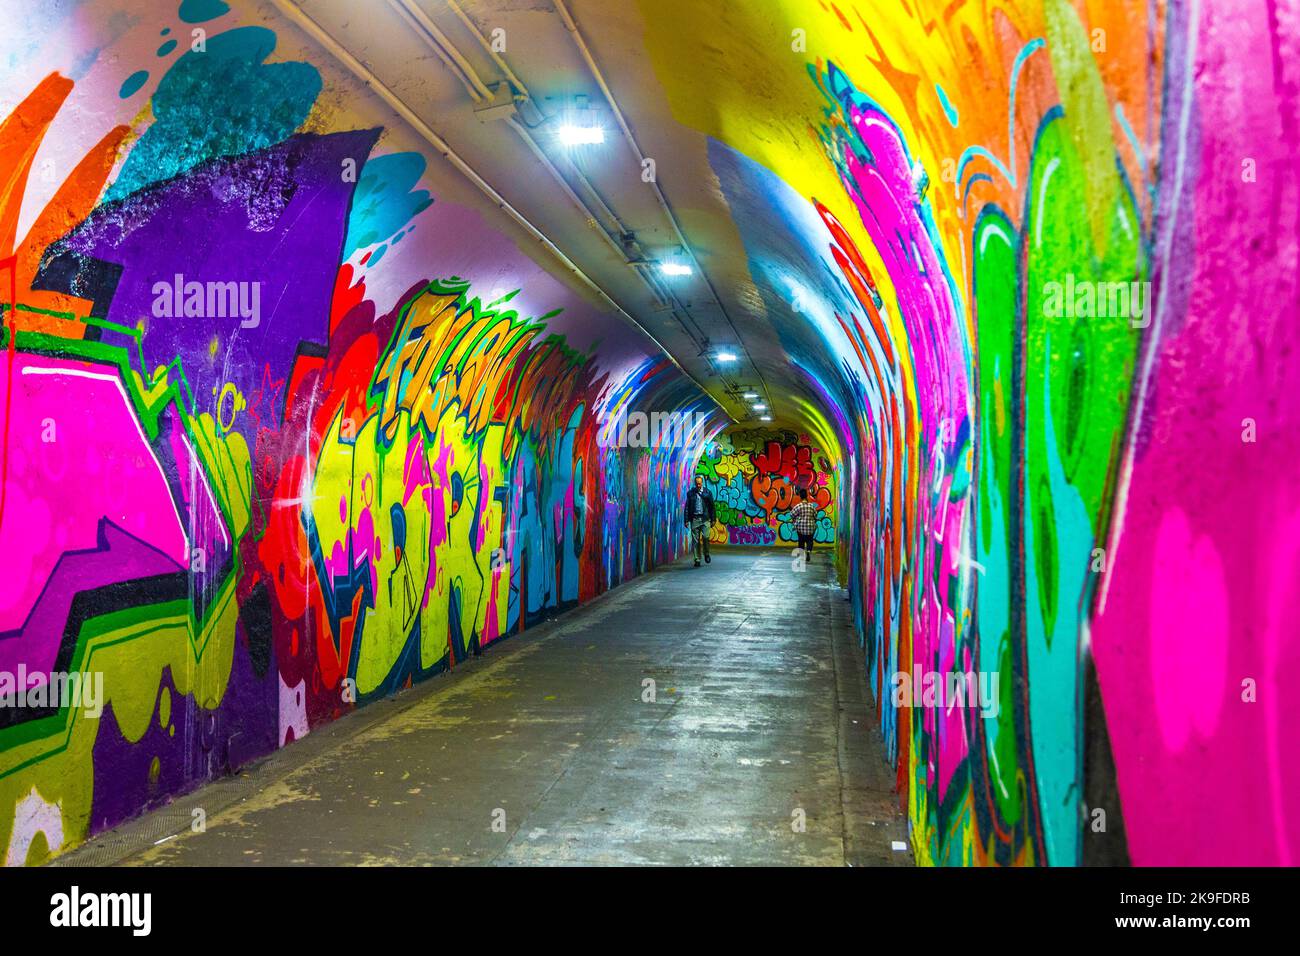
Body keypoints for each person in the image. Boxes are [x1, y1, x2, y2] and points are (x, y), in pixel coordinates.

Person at [683, 474, 716, 567]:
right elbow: (687, 507)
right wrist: (686, 520)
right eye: (697, 484)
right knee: (695, 541)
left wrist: (713, 519)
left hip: (705, 519)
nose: (698, 485)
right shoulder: (691, 493)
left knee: (706, 537)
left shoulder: (707, 493)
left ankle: (706, 553)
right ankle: (697, 559)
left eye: (700, 484)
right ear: (695, 483)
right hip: (695, 519)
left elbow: (712, 507)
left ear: (702, 483)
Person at [791, 487, 819, 559]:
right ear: (806, 496)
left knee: (801, 541)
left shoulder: (798, 506)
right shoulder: (811, 506)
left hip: (800, 527)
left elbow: (792, 514)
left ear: (800, 496)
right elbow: (815, 516)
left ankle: (801, 555)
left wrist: (795, 520)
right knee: (810, 540)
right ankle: (808, 551)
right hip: (810, 527)